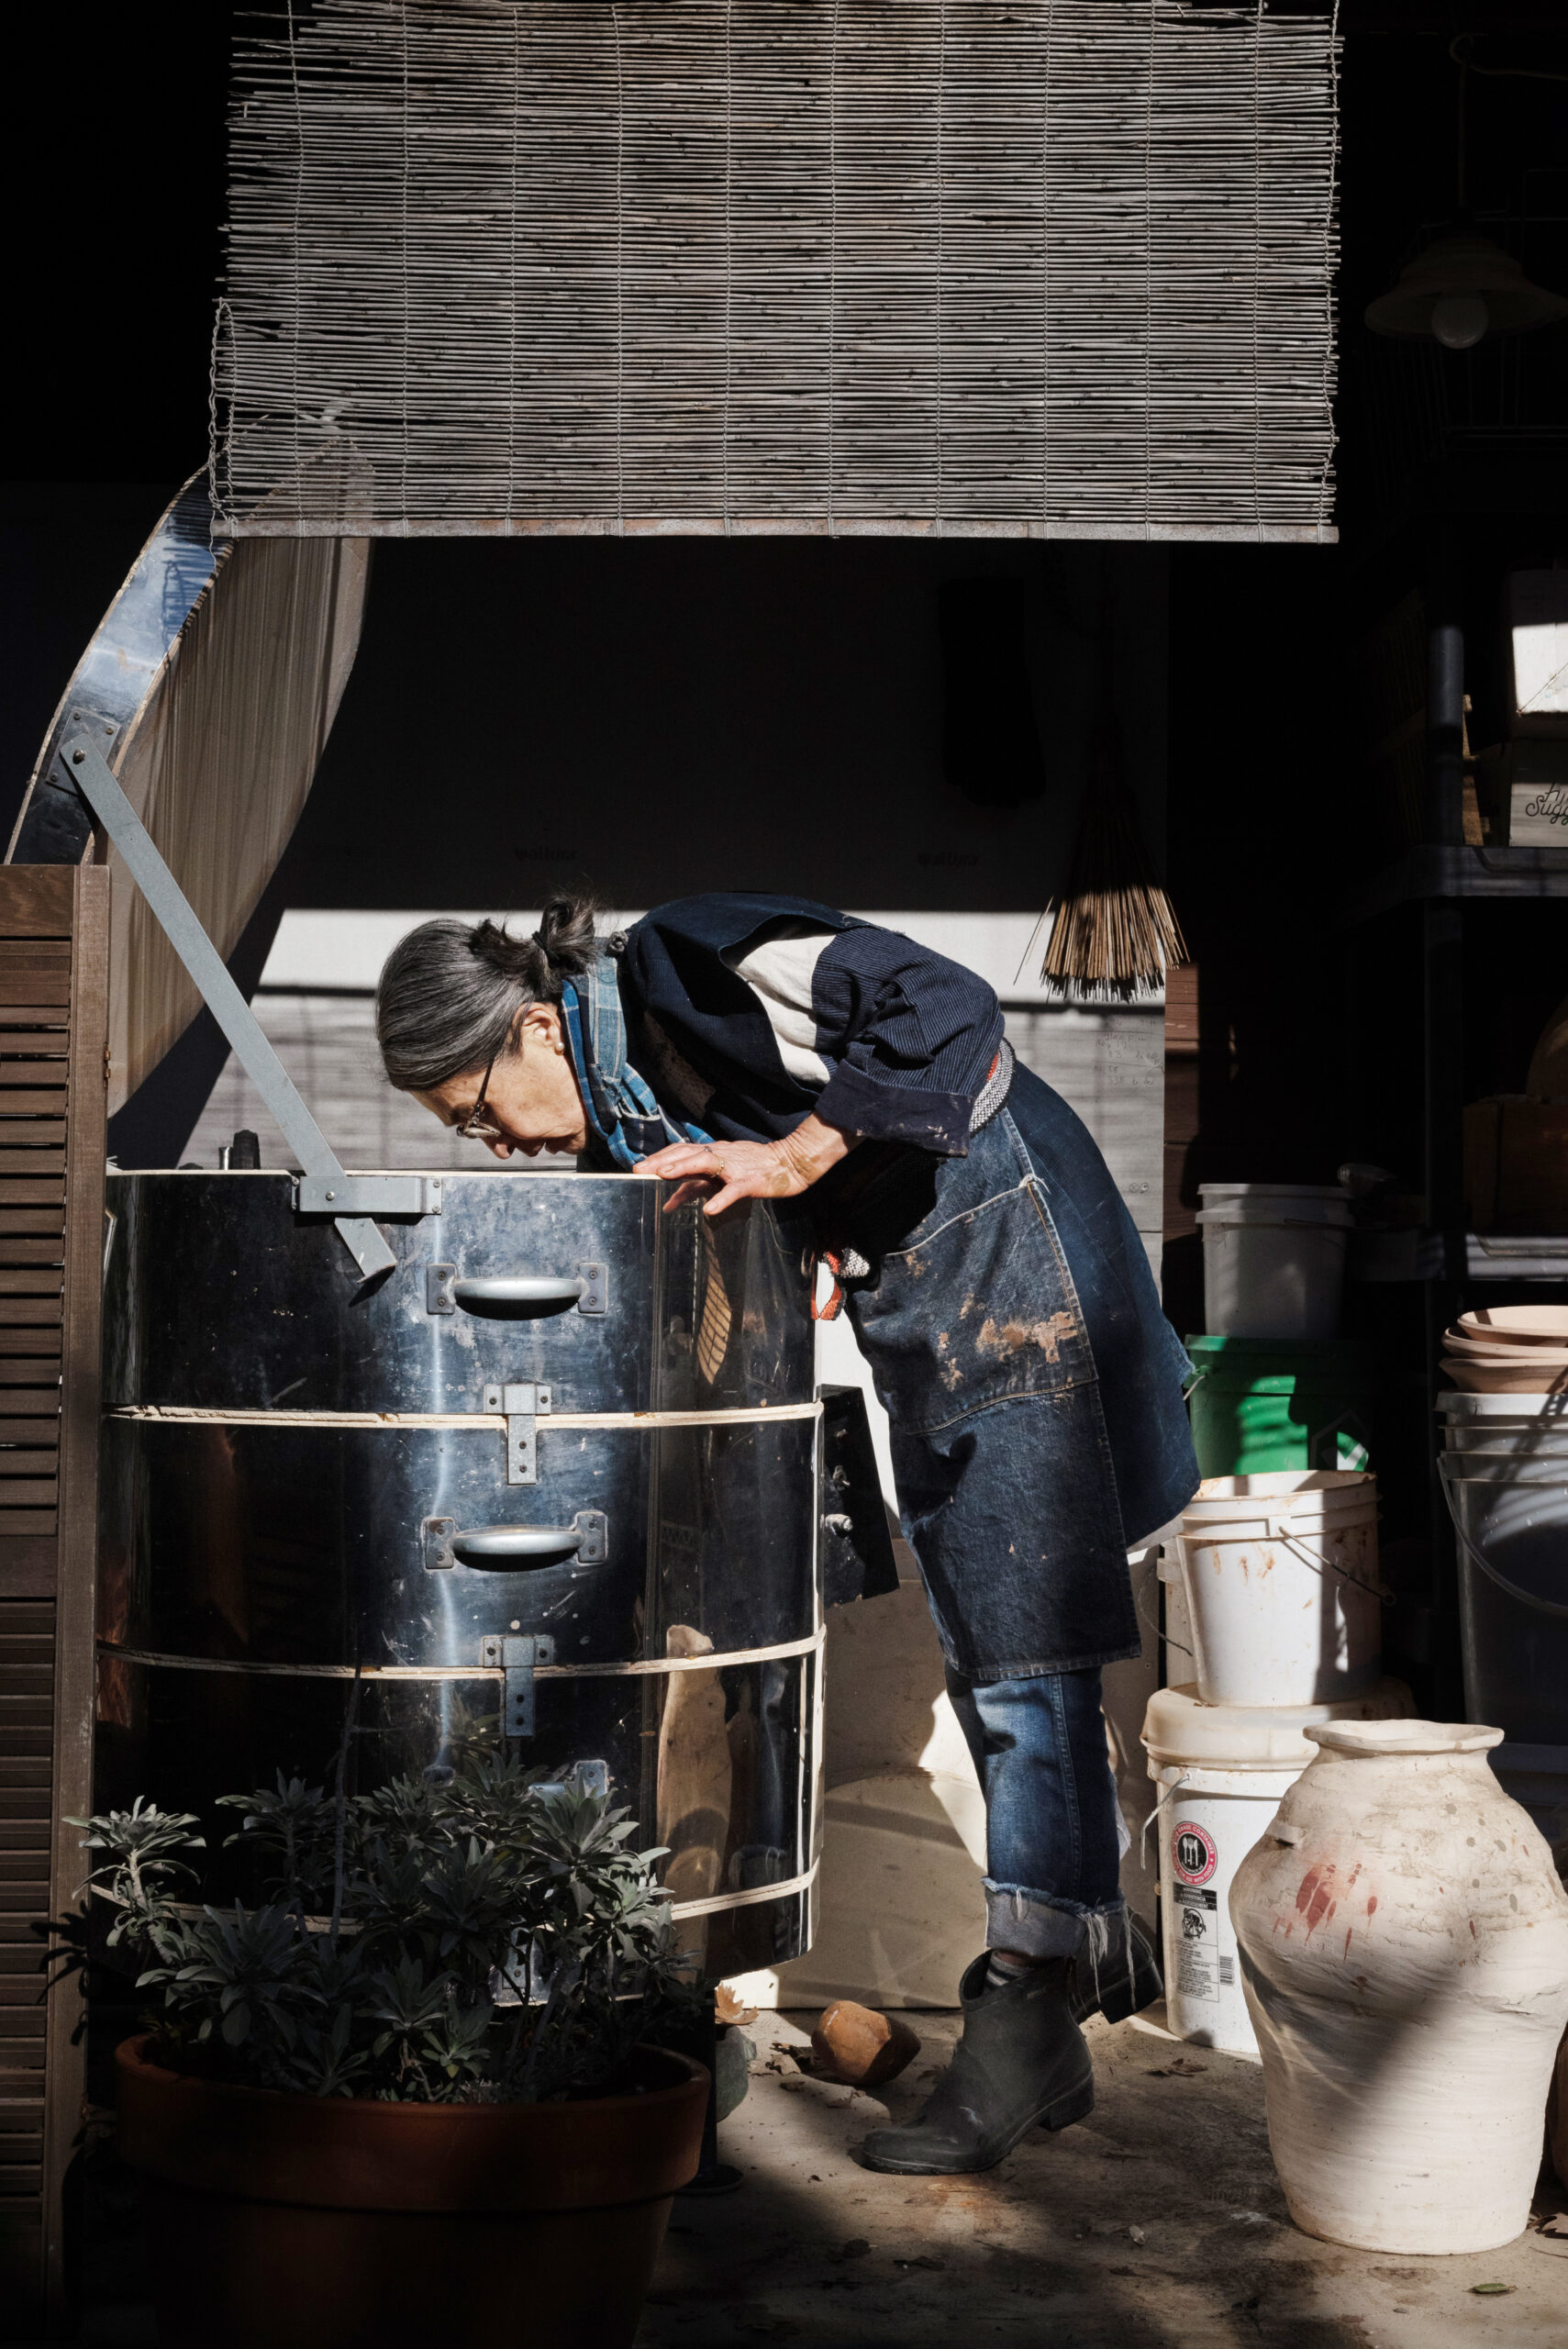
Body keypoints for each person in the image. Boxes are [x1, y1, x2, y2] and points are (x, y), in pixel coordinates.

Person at [376, 890, 1199, 2176]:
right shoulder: (622, 1101)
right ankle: (1077, 1947)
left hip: (1012, 1256)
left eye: (478, 1109)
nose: (494, 1144)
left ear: (538, 1024)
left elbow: (944, 1012)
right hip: (927, 1284)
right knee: (994, 1630)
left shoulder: (694, 959)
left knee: (1024, 1653)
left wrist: (799, 1162)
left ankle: (1036, 1995)